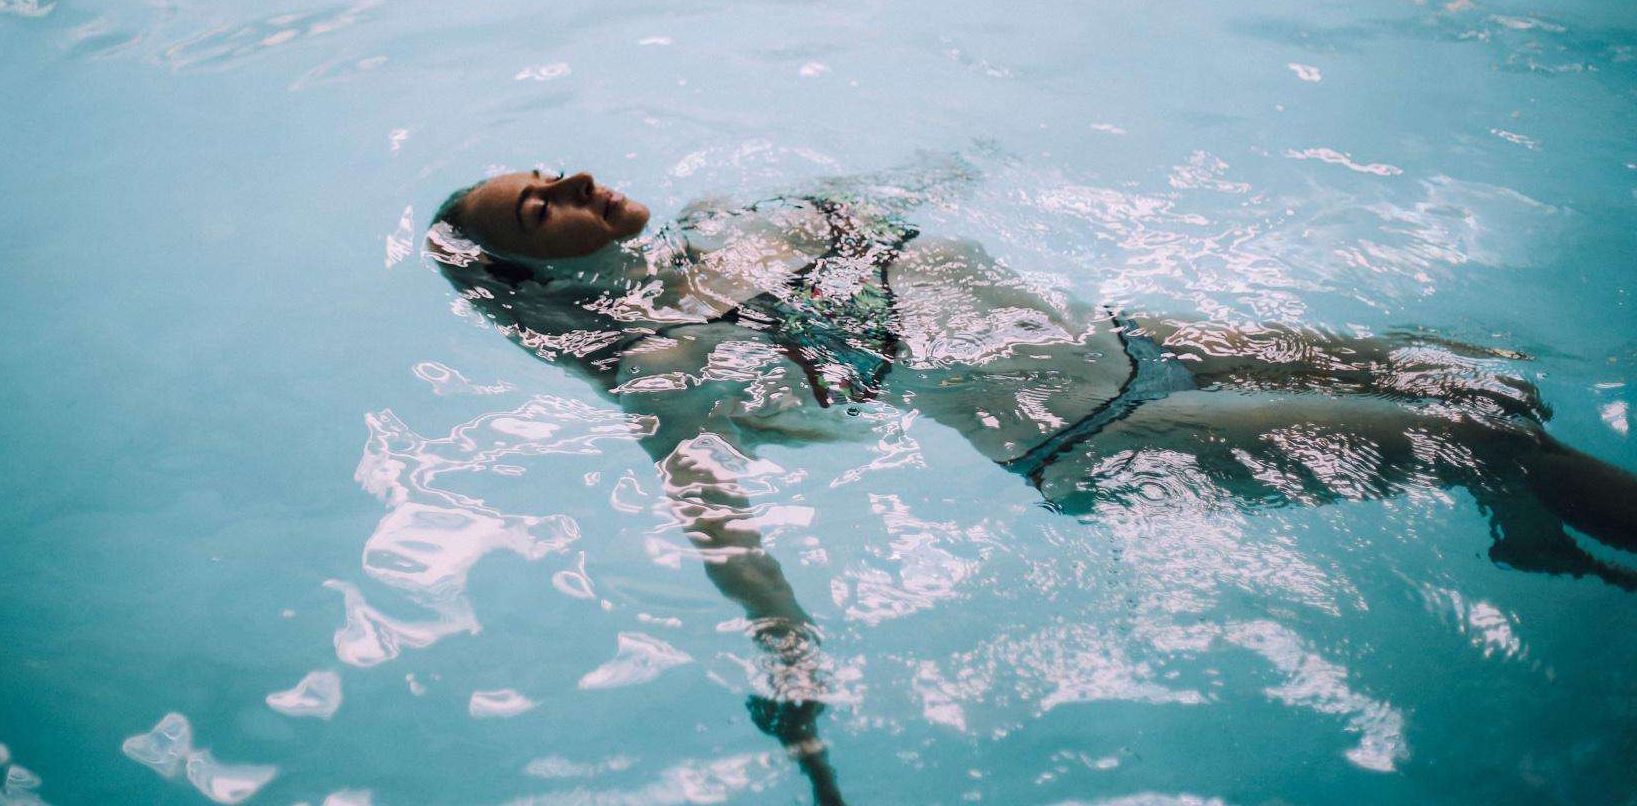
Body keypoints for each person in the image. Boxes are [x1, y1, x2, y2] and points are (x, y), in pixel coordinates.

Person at [427, 167, 1637, 805]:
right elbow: (714, 516)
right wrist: (788, 660)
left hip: (1136, 337)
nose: (574, 175)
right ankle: (1516, 516)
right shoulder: (660, 355)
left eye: (546, 167)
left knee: (1489, 382)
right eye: (541, 204)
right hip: (1109, 435)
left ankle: (1520, 525)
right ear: (532, 273)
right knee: (1483, 442)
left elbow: (923, 193)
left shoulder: (727, 218)